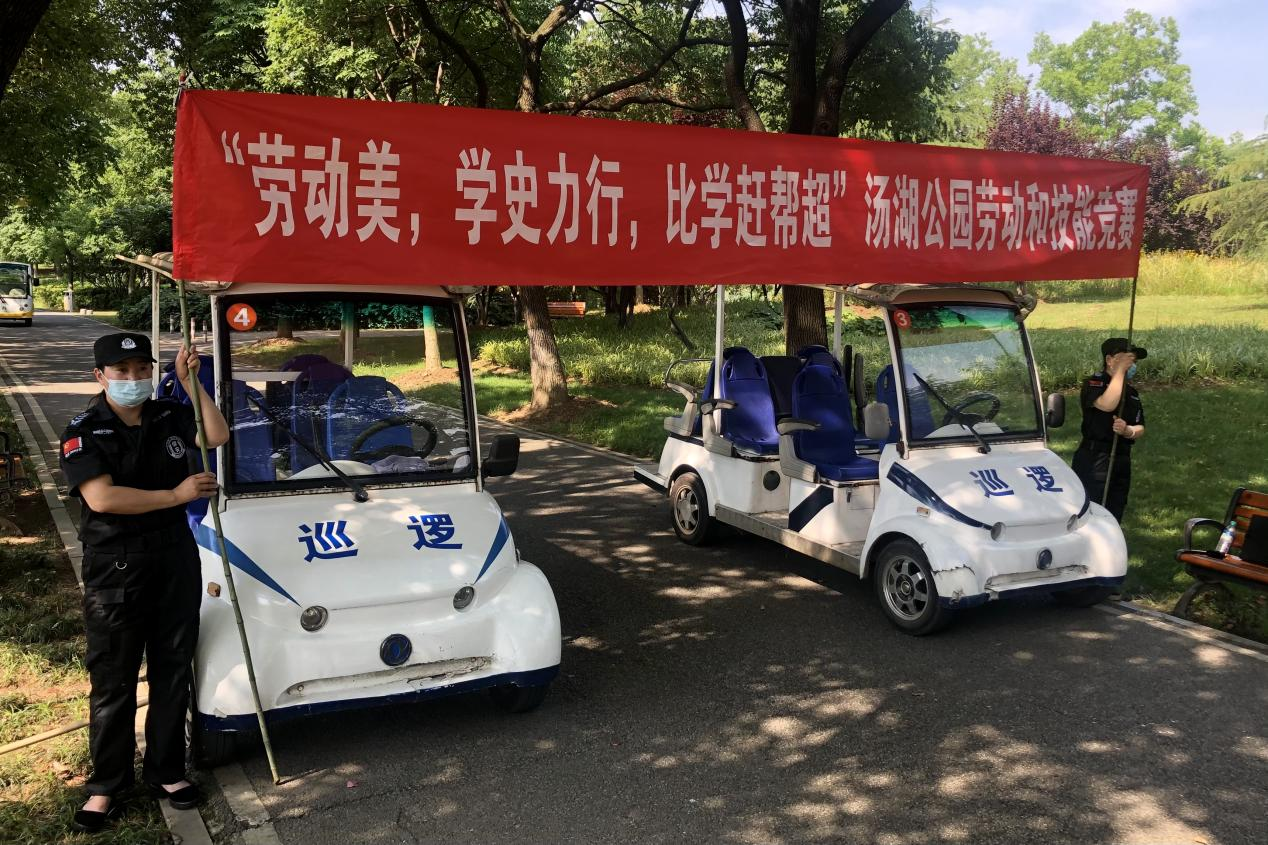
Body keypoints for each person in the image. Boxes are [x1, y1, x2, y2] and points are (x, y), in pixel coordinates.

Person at [60, 332, 228, 833]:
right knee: (113, 678)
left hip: (174, 559)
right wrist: (177, 495)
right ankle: (106, 785)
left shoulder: (168, 415)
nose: (133, 379)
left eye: (141, 369)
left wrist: (190, 383)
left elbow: (216, 435)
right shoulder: (85, 430)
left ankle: (166, 772)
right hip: (117, 566)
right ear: (100, 376)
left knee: (173, 668)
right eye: (122, 371)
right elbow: (103, 499)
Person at [1072, 337, 1147, 523]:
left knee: (1115, 511)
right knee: (1093, 511)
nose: (1131, 364)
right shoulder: (1095, 383)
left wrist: (1128, 430)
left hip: (1121, 458)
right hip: (1096, 458)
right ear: (1109, 360)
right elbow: (1107, 404)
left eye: (1133, 361)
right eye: (1126, 359)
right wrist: (1119, 372)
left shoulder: (1131, 393)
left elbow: (1140, 426)